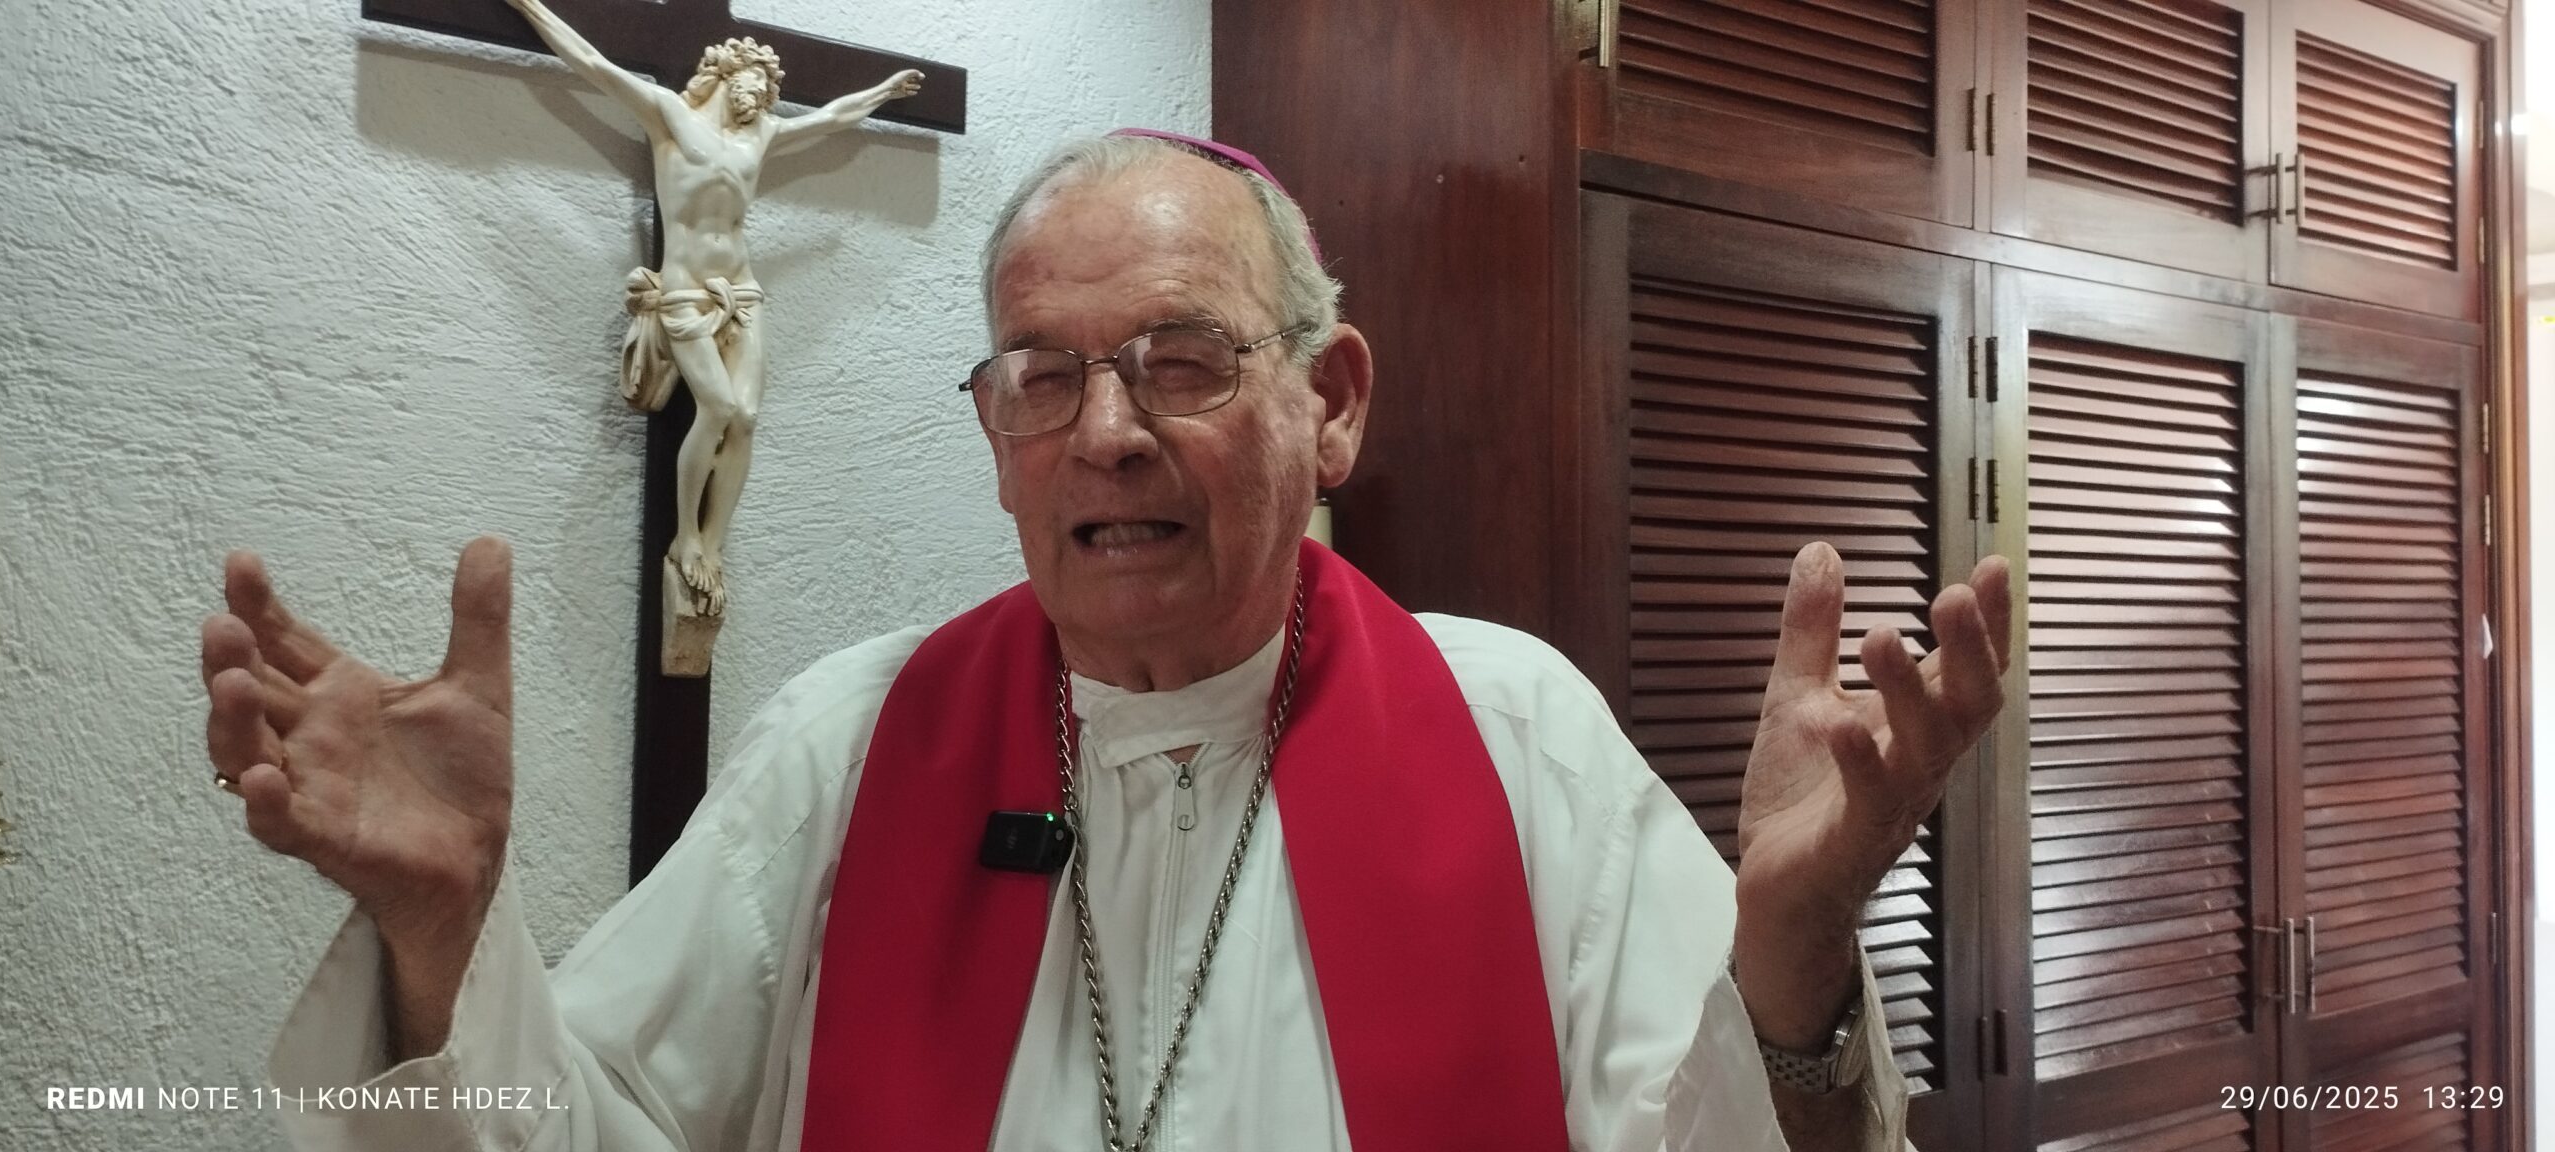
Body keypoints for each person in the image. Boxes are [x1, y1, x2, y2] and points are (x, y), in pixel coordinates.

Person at [199, 132, 2012, 1151]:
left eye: (1183, 360)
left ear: (1333, 404)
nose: (1109, 434)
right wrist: (444, 936)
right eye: (1042, 377)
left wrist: (1792, 957)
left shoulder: (1515, 734)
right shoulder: (850, 746)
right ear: (995, 432)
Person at [500, 0, 924, 613]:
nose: (761, 99)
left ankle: (714, 545)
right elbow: (592, 63)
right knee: (718, 406)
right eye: (754, 86)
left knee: (745, 416)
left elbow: (832, 117)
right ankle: (687, 537)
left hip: (742, 291)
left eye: (767, 92)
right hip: (686, 291)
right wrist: (532, 7)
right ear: (727, 76)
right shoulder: (669, 114)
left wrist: (883, 91)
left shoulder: (762, 134)